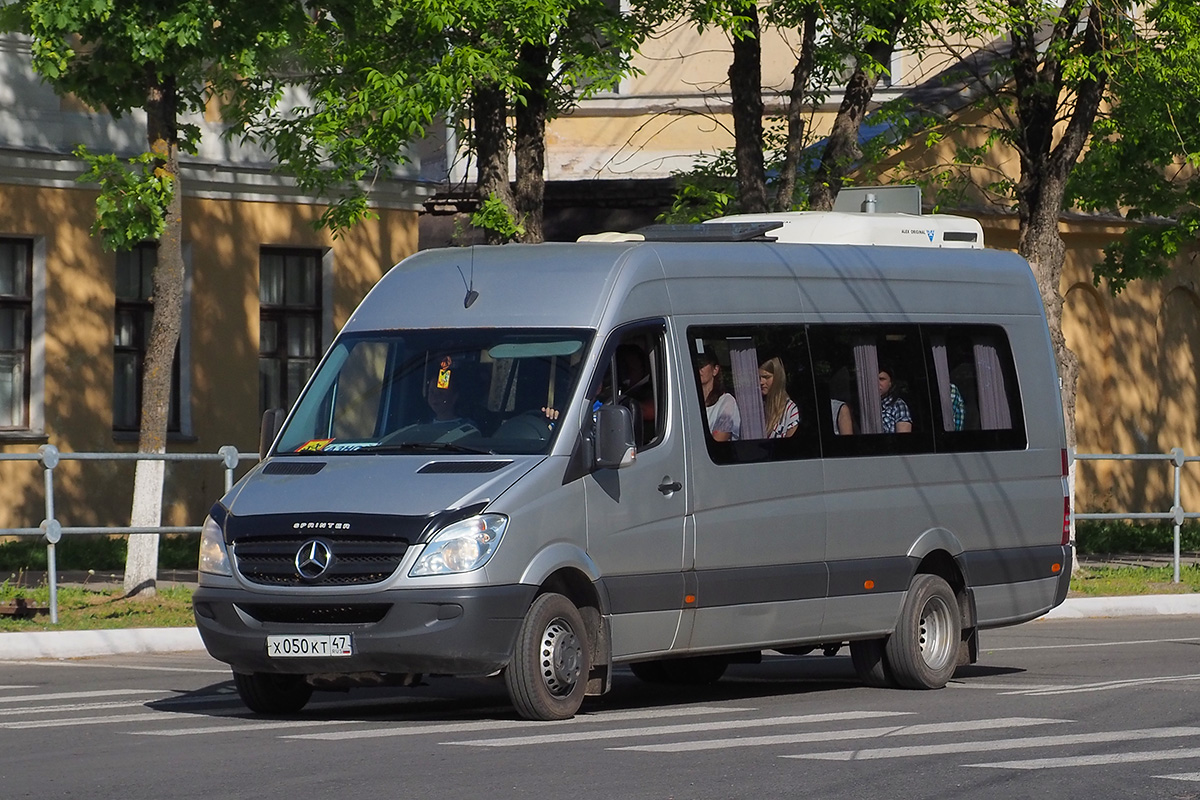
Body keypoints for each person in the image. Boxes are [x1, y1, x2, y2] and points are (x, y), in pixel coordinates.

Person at [696, 351, 739, 441]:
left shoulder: (727, 401)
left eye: (702, 364)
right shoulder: (689, 401)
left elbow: (718, 439)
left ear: (715, 369)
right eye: (696, 364)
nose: (698, 368)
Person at [759, 357, 799, 438]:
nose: (761, 382)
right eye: (759, 377)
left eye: (766, 377)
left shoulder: (790, 410)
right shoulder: (758, 407)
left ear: (777, 378)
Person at [878, 365, 912, 433]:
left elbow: (904, 438)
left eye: (881, 379)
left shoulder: (898, 405)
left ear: (890, 383)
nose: (877, 383)